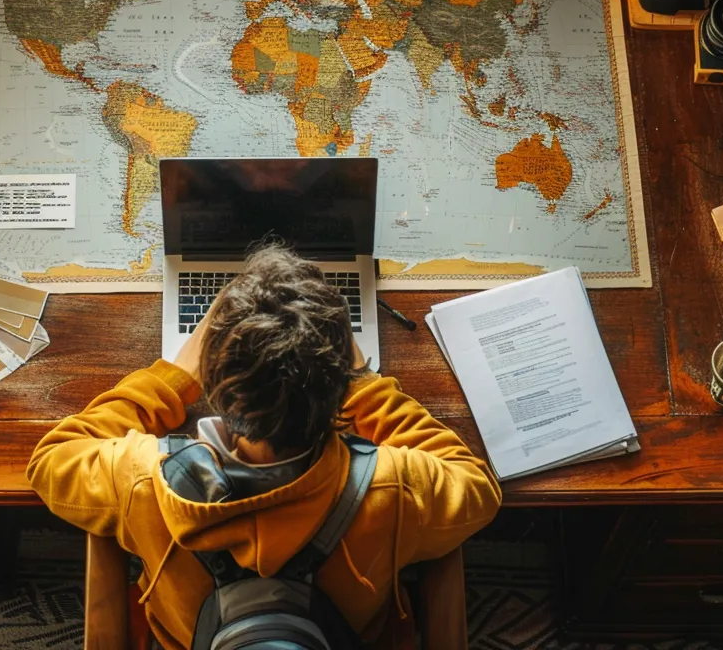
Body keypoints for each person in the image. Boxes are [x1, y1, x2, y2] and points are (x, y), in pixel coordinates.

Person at [27, 245, 503, 648]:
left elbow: (52, 460)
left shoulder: (140, 477)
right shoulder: (394, 487)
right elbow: (477, 487)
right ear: (338, 392)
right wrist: (365, 386)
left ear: (215, 384)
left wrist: (174, 378)